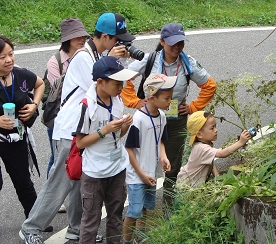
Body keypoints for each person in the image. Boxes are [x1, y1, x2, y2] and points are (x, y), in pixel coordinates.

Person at [20, 12, 135, 244]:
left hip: (86, 129)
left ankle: (76, 229)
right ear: (105, 36)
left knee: (80, 182)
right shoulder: (85, 58)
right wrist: (111, 59)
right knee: (61, 181)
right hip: (70, 131)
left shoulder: (95, 54)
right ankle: (31, 227)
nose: (120, 44)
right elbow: (99, 85)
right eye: (117, 40)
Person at [121, 22, 217, 212]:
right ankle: (141, 209)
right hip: (150, 119)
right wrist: (134, 101)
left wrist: (192, 107)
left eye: (180, 42)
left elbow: (210, 85)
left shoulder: (188, 62)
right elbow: (124, 77)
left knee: (172, 166)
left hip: (175, 122)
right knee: (145, 164)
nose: (176, 47)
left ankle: (168, 208)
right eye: (172, 43)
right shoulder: (150, 60)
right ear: (162, 41)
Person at [73, 56, 137, 244]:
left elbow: (118, 136)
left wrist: (124, 125)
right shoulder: (87, 106)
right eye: (117, 83)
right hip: (94, 173)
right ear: (100, 82)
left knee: (115, 216)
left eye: (122, 83)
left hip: (117, 168)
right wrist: (105, 130)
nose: (121, 88)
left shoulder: (117, 100)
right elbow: (80, 143)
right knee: (91, 221)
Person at [122, 73, 174, 244]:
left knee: (145, 208)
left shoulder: (162, 117)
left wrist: (164, 157)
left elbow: (160, 142)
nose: (169, 102)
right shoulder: (138, 120)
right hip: (138, 174)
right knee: (134, 211)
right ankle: (126, 241)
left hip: (151, 172)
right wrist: (141, 174)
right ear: (152, 98)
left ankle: (141, 237)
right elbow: (129, 149)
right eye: (166, 98)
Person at [45, 17, 90, 214]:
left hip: (79, 120)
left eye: (83, 36)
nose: (81, 39)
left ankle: (74, 220)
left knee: (74, 164)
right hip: (59, 119)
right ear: (67, 39)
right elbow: (63, 90)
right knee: (57, 162)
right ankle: (52, 201)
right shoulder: (55, 61)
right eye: (76, 36)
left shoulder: (87, 56)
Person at [0, 35, 45, 217]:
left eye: (11, 54)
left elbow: (40, 83)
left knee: (24, 181)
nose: (9, 59)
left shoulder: (20, 75)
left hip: (16, 137)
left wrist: (34, 104)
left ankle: (34, 220)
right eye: (2, 57)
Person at [176, 111, 251, 187]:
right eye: (212, 128)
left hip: (192, 183)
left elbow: (209, 160)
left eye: (215, 126)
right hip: (187, 186)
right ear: (199, 134)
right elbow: (222, 154)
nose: (216, 130)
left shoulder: (204, 144)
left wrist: (217, 176)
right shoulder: (202, 148)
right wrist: (240, 142)